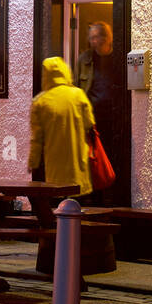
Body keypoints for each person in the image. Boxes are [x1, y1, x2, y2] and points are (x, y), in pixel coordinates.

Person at [28, 56, 95, 201]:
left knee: (59, 206)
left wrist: (33, 162)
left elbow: (37, 139)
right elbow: (89, 123)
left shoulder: (40, 102)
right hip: (77, 163)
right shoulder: (78, 95)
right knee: (79, 204)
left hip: (55, 166)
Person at [75, 21, 121, 195]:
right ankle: (94, 195)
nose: (94, 41)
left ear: (107, 37)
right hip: (92, 118)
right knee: (93, 159)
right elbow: (78, 86)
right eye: (92, 38)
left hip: (113, 118)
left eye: (97, 37)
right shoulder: (85, 59)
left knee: (110, 158)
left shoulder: (117, 57)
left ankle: (110, 194)